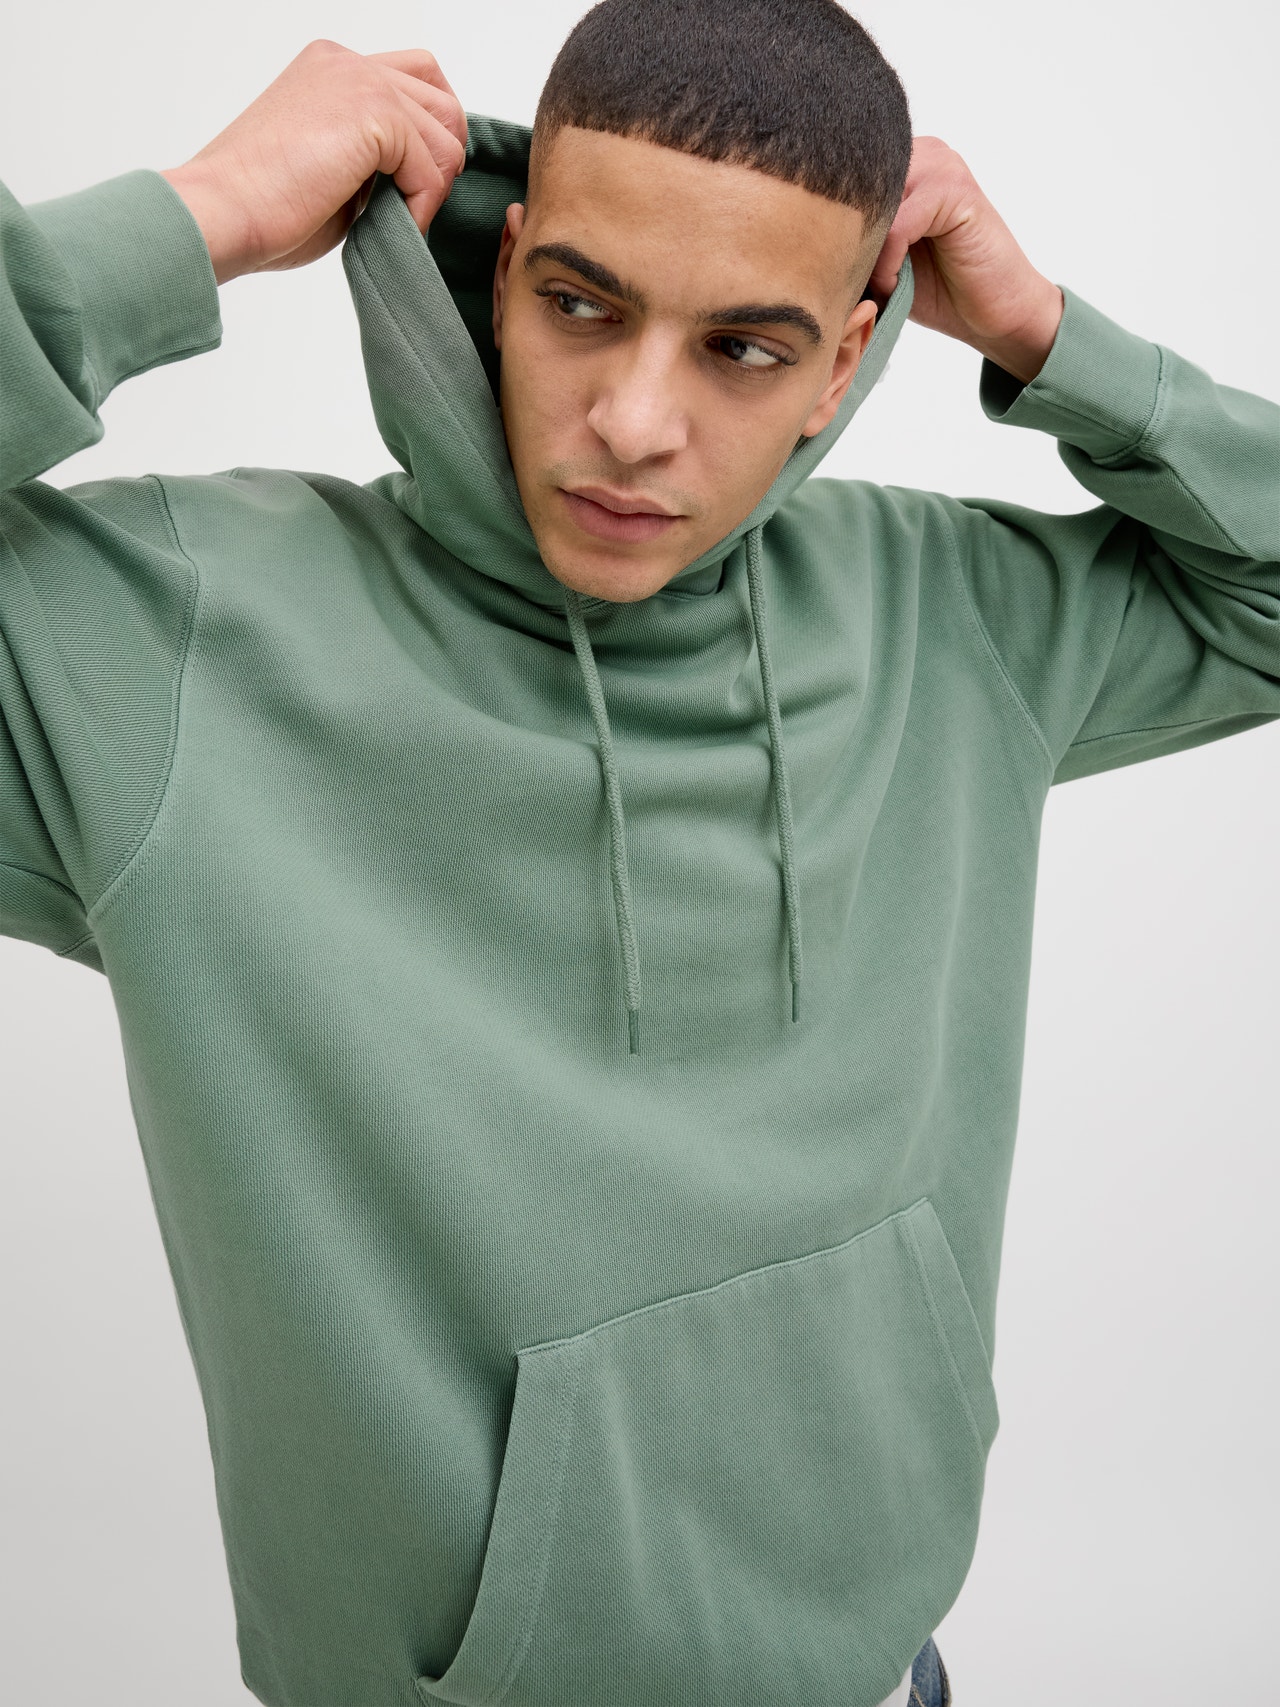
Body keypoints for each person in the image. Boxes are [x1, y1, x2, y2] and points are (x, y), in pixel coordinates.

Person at [1, 0, 1275, 1702]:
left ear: (846, 361)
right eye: (581, 305)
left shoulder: (946, 614)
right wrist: (204, 213)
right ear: (502, 269)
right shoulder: (166, 645)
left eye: (743, 348)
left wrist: (1045, 334)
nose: (632, 421)